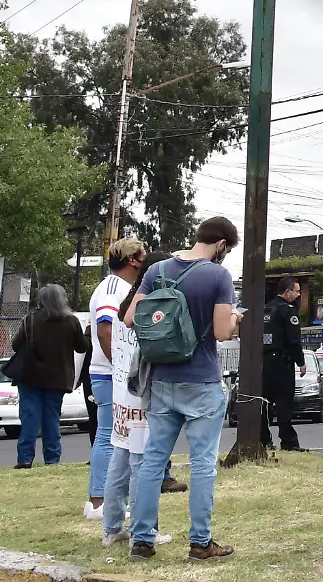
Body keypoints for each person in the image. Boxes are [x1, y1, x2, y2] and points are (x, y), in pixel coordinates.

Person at [126, 215, 242, 561]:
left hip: (162, 378)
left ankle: (142, 541)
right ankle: (200, 542)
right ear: (222, 245)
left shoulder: (157, 271)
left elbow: (131, 318)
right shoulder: (218, 276)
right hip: (202, 379)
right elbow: (222, 332)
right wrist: (237, 319)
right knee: (203, 463)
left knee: (152, 462)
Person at [99, 249, 177, 549]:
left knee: (119, 462)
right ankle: (145, 529)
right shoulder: (151, 309)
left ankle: (112, 527)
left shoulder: (124, 305)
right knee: (143, 466)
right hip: (142, 395)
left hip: (121, 393)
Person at [85, 238, 150, 515]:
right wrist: (122, 369)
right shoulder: (115, 287)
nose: (147, 258)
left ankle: (108, 500)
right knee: (109, 436)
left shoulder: (126, 288)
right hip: (110, 374)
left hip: (114, 373)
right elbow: (104, 329)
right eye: (143, 254)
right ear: (132, 259)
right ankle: (99, 500)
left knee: (119, 438)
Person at [12, 283, 89, 470]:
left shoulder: (31, 320)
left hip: (30, 377)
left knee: (30, 418)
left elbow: (16, 345)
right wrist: (87, 335)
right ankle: (52, 459)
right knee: (51, 419)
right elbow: (82, 347)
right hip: (58, 379)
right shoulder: (71, 322)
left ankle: (25, 459)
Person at [261, 277, 307, 453]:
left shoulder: (266, 309)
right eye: (296, 291)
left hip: (264, 361)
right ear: (287, 292)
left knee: (264, 402)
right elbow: (294, 340)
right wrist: (301, 362)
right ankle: (288, 441)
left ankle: (264, 439)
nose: (298, 294)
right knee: (283, 403)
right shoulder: (288, 311)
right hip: (282, 362)